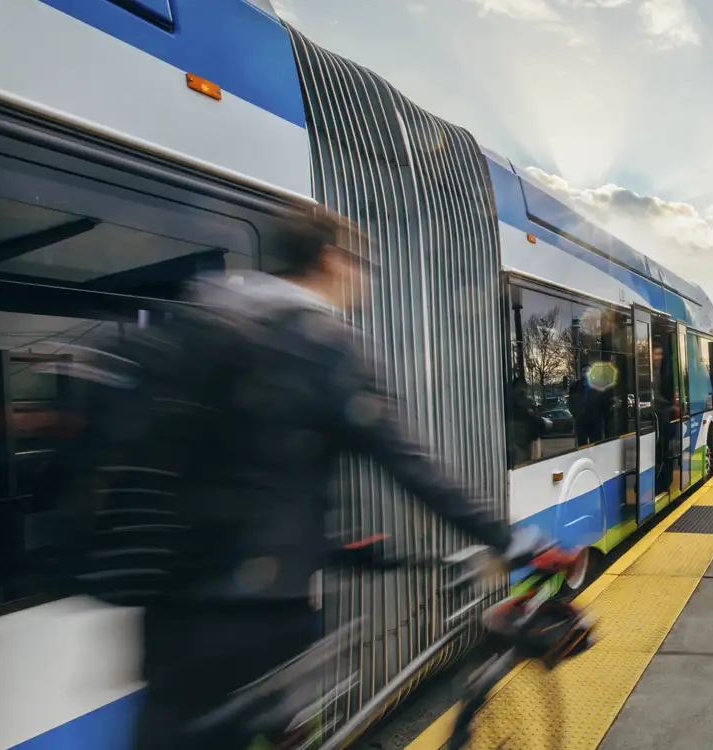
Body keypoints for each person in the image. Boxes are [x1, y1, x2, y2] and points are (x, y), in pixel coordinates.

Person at [53, 208, 573, 750]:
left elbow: (228, 472)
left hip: (166, 612)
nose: (365, 280)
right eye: (361, 265)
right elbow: (414, 465)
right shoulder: (318, 343)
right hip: (259, 620)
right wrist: (514, 540)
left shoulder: (201, 323)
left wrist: (335, 548)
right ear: (330, 261)